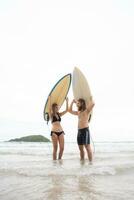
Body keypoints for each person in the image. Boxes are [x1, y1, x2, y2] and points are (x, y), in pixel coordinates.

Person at [68, 97, 95, 162]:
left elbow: (93, 103)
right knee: (80, 148)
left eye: (78, 103)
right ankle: (82, 163)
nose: (77, 104)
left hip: (85, 130)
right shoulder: (78, 112)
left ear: (82, 103)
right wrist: (72, 102)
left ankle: (90, 163)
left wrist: (90, 98)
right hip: (79, 131)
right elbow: (69, 111)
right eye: (77, 103)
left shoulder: (87, 110)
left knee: (87, 147)